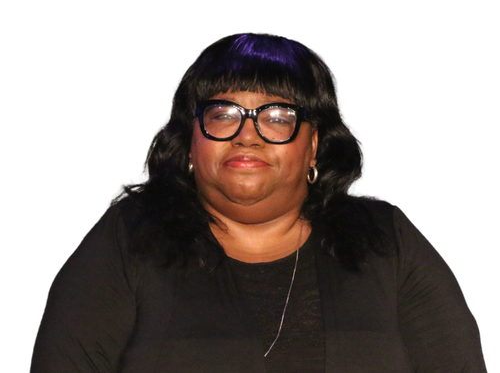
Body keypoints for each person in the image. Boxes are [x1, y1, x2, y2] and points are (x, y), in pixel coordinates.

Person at [29, 30, 488, 372]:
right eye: (222, 113)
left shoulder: (389, 240)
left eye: (277, 116)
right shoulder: (127, 238)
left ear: (313, 145)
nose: (247, 135)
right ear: (191, 144)